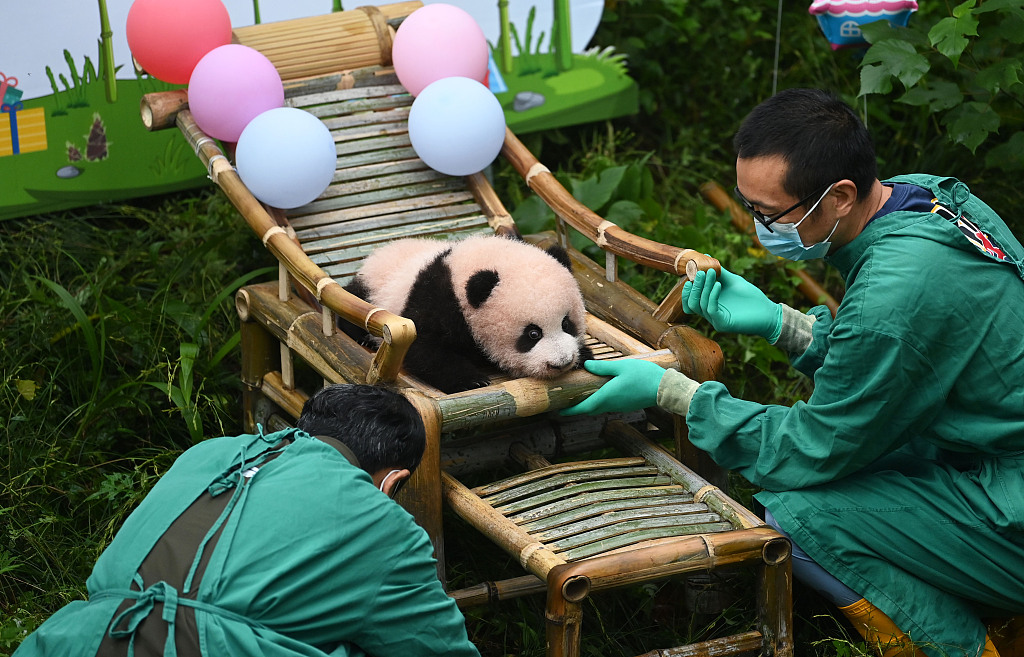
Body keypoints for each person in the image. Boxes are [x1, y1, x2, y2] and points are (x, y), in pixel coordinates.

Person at [563, 88, 1024, 656]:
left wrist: (677, 394)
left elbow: (817, 445)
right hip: (986, 448)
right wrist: (783, 324)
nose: (759, 226)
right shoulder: (923, 197)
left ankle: (965, 644)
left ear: (840, 195)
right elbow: (903, 361)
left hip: (1012, 505)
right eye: (749, 204)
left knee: (800, 513)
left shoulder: (894, 295)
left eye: (770, 213)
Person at [14, 384, 480, 657]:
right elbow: (437, 648)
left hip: (73, 638)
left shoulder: (209, 451)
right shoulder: (383, 523)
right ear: (392, 481)